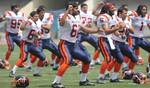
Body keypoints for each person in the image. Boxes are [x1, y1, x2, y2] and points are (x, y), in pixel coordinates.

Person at [51, 2, 101, 88]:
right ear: (70, 8)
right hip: (64, 44)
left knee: (86, 59)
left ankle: (83, 80)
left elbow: (84, 29)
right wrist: (67, 11)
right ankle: (56, 82)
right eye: (76, 8)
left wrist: (96, 31)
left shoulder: (76, 18)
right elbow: (62, 23)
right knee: (67, 61)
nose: (78, 10)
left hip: (73, 45)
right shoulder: (64, 15)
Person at [9, 11, 48, 77]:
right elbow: (21, 28)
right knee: (23, 58)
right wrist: (25, 21)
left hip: (32, 44)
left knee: (43, 57)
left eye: (37, 16)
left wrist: (37, 39)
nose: (37, 17)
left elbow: (35, 34)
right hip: (25, 43)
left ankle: (36, 72)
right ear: (32, 17)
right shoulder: (29, 21)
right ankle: (12, 71)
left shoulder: (38, 23)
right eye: (35, 16)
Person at [95, 3, 126, 83]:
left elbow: (113, 30)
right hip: (103, 39)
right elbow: (106, 31)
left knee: (120, 58)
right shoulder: (103, 17)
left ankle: (114, 77)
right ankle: (100, 77)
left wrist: (120, 35)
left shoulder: (110, 17)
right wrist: (118, 27)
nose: (114, 9)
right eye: (112, 8)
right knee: (107, 58)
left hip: (111, 40)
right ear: (107, 9)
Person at [0, 4, 26, 70]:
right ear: (14, 8)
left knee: (23, 47)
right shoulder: (9, 13)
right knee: (11, 48)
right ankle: (6, 62)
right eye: (17, 7)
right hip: (10, 34)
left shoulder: (21, 14)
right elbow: (3, 19)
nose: (18, 8)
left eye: (18, 7)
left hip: (17, 34)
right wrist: (2, 17)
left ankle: (20, 62)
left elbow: (25, 21)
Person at [129, 5, 150, 77]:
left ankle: (149, 67)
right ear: (139, 10)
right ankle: (128, 70)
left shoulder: (147, 17)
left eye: (145, 9)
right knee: (129, 53)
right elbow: (125, 20)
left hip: (141, 38)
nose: (145, 11)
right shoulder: (133, 14)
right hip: (132, 38)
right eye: (143, 9)